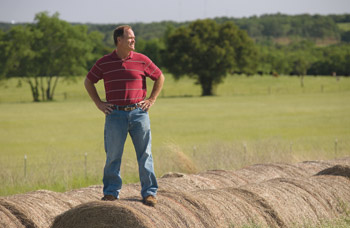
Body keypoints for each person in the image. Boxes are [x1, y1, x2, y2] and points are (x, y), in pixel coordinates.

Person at [84, 25, 165, 207]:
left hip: (139, 114)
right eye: (130, 38)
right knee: (113, 155)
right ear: (118, 40)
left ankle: (149, 193)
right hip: (115, 115)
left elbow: (160, 77)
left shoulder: (142, 60)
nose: (133, 41)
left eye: (134, 38)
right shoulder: (104, 62)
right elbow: (88, 81)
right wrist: (99, 103)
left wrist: (151, 99)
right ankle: (111, 193)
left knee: (145, 155)